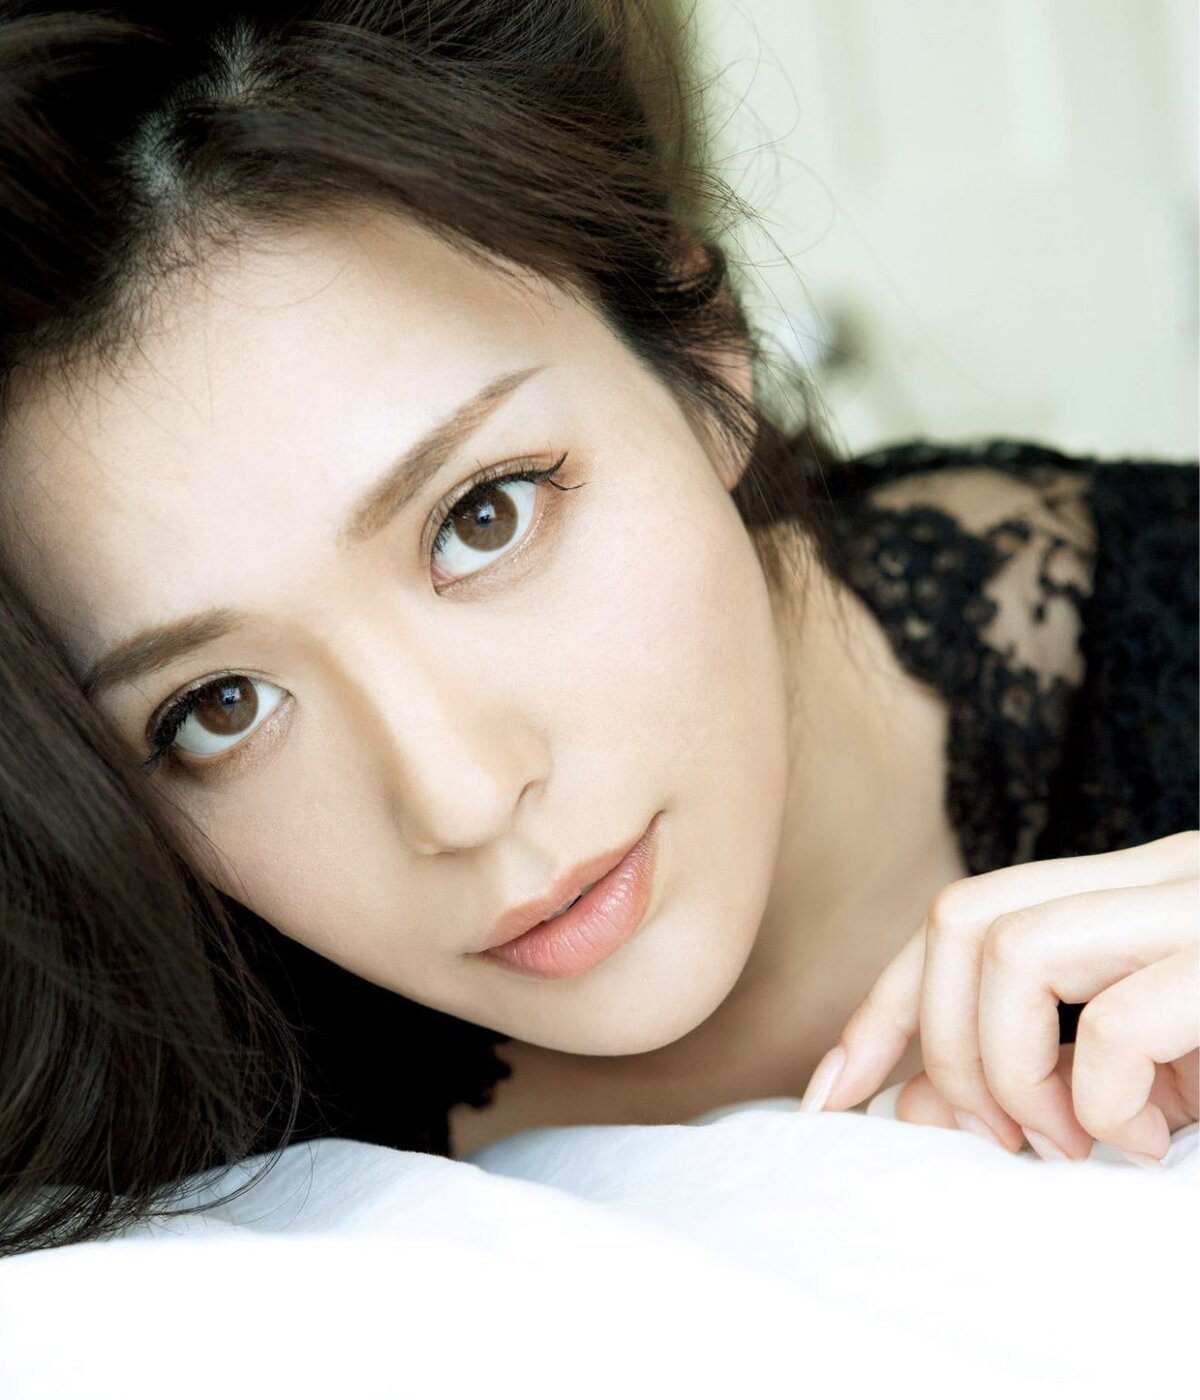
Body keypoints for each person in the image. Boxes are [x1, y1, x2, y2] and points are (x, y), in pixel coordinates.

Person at [0, 0, 1195, 1254]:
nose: (462, 799)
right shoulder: (145, 1074)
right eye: (219, 706)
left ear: (701, 350)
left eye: (484, 517)